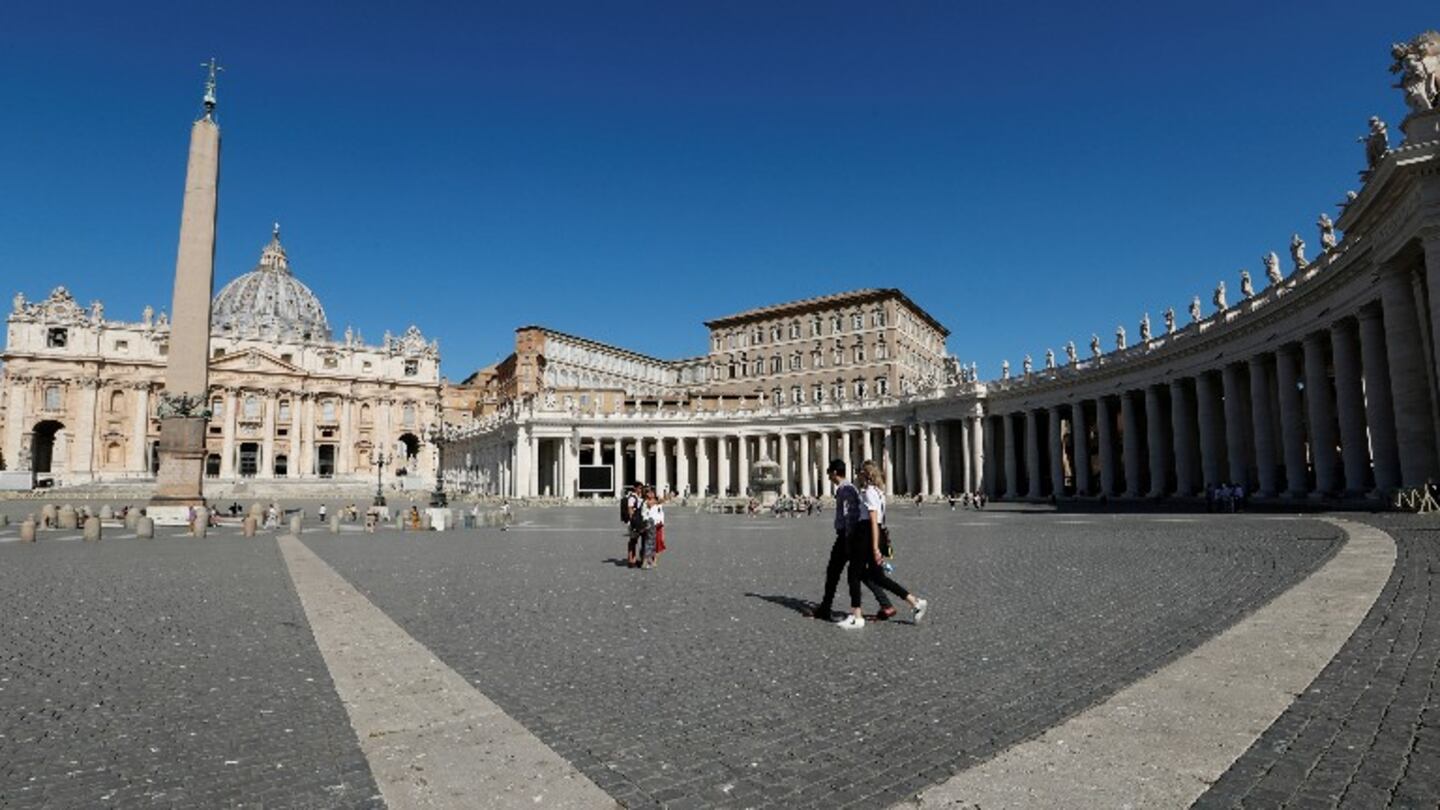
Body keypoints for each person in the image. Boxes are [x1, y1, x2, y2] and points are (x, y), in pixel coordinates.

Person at [837, 460, 929, 630]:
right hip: (875, 533)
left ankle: (857, 617)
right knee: (878, 577)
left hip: (867, 534)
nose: (857, 477)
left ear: (864, 475)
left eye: (859, 474)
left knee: (853, 574)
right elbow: (880, 520)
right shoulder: (879, 492)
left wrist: (874, 547)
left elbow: (872, 519)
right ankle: (915, 602)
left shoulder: (869, 491)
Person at [809, 460, 896, 622]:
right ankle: (886, 605)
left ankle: (826, 608)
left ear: (834, 473)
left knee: (833, 572)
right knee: (861, 573)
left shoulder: (846, 489)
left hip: (847, 537)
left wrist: (849, 541)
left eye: (829, 474)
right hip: (853, 536)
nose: (828, 477)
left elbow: (851, 516)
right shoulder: (849, 489)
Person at [639, 487, 661, 569]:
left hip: (651, 523)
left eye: (653, 493)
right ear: (647, 494)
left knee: (651, 542)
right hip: (649, 523)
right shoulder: (647, 502)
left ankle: (648, 560)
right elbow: (656, 502)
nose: (652, 494)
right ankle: (645, 562)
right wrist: (668, 496)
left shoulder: (647, 501)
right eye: (650, 493)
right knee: (649, 543)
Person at [625, 483, 645, 566]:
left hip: (641, 522)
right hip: (634, 523)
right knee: (633, 541)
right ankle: (631, 560)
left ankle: (641, 558)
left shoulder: (640, 497)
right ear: (635, 488)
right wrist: (632, 521)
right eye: (639, 488)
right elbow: (630, 510)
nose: (640, 489)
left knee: (643, 541)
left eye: (641, 488)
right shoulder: (632, 498)